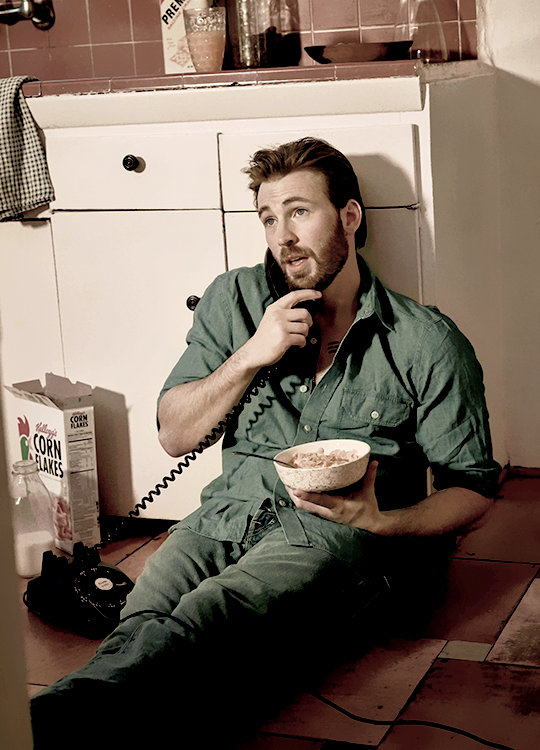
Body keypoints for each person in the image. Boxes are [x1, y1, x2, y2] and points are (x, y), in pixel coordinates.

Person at [30, 137, 501, 748]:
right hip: (223, 516)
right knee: (141, 623)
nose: (284, 236)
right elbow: (174, 433)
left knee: (208, 616)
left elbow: (473, 490)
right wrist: (252, 354)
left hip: (334, 537)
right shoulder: (235, 299)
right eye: (269, 218)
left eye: (300, 211)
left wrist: (383, 523)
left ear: (349, 217)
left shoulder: (424, 341)